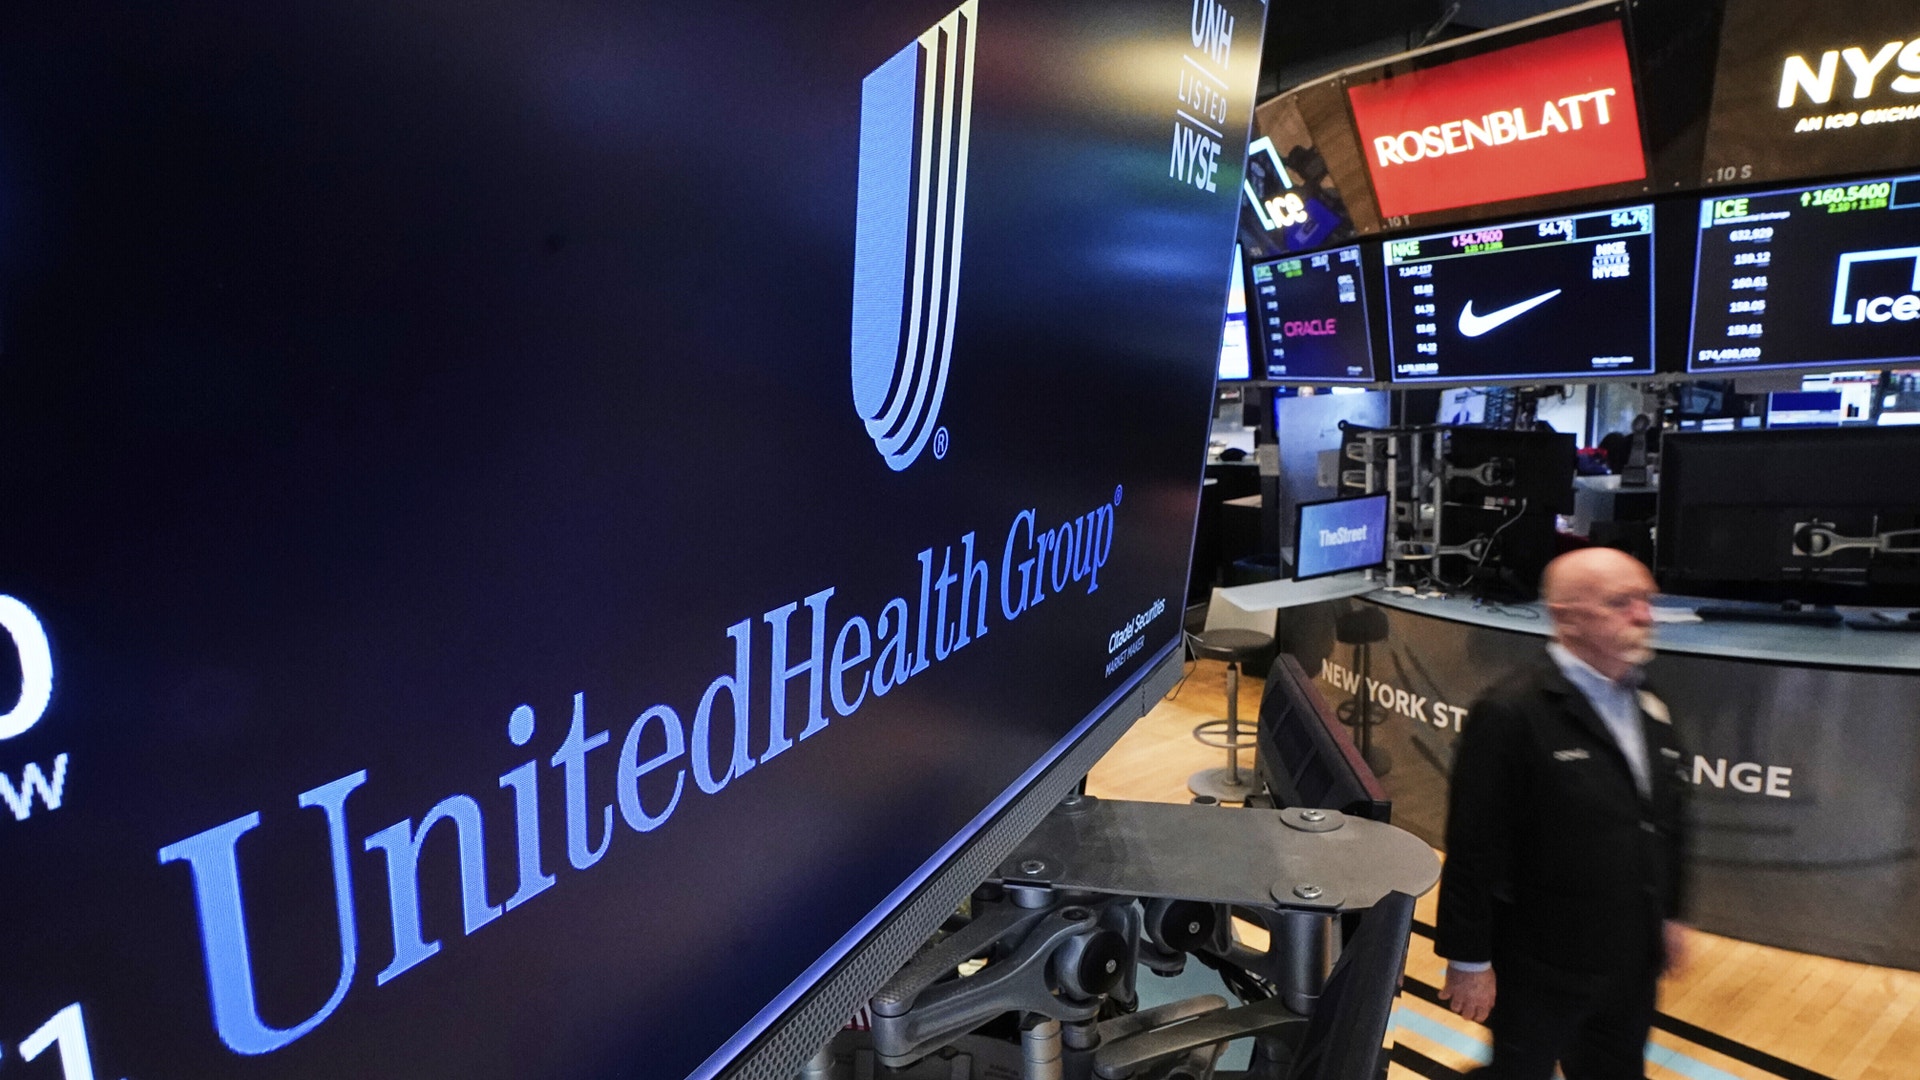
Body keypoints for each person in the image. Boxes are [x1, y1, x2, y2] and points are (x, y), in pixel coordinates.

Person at [1434, 547, 1691, 1079]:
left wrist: (1669, 914)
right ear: (1567, 617)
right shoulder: (1511, 712)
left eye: (1646, 600)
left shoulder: (1649, 700)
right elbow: (1474, 845)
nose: (1642, 615)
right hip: (1539, 964)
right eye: (1620, 603)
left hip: (1629, 958)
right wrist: (1469, 961)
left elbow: (1669, 819)